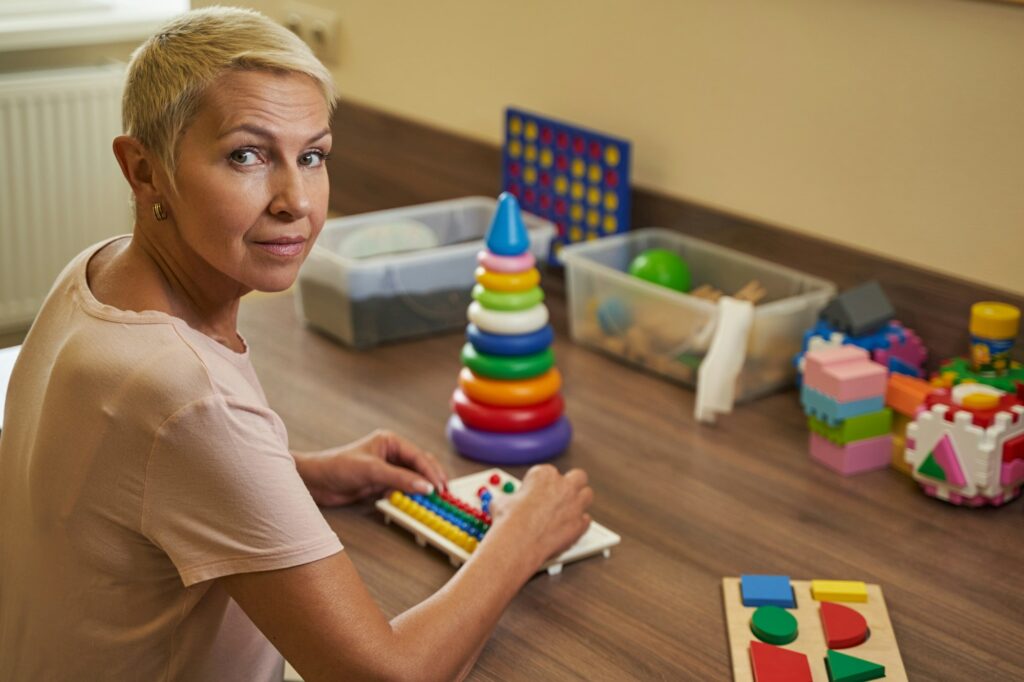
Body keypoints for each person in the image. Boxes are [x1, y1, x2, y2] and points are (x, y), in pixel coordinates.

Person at [0, 7, 593, 681]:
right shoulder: (185, 393)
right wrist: (522, 537)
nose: (297, 200)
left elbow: (112, 479)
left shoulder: (94, 272)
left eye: (312, 155)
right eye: (246, 155)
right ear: (144, 171)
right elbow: (383, 676)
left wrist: (294, 473)